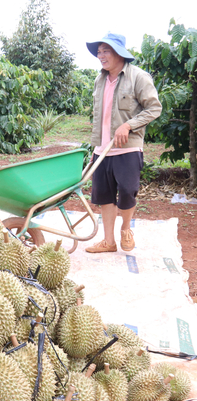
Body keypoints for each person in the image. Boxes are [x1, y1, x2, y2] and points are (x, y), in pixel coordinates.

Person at [84, 33, 162, 253]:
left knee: (128, 191)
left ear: (119, 52)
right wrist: (95, 147)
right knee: (104, 196)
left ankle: (125, 229)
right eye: (98, 51)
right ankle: (108, 242)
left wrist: (128, 125)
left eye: (105, 50)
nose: (100, 55)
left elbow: (154, 108)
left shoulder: (138, 77)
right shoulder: (99, 79)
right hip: (102, 148)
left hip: (127, 148)